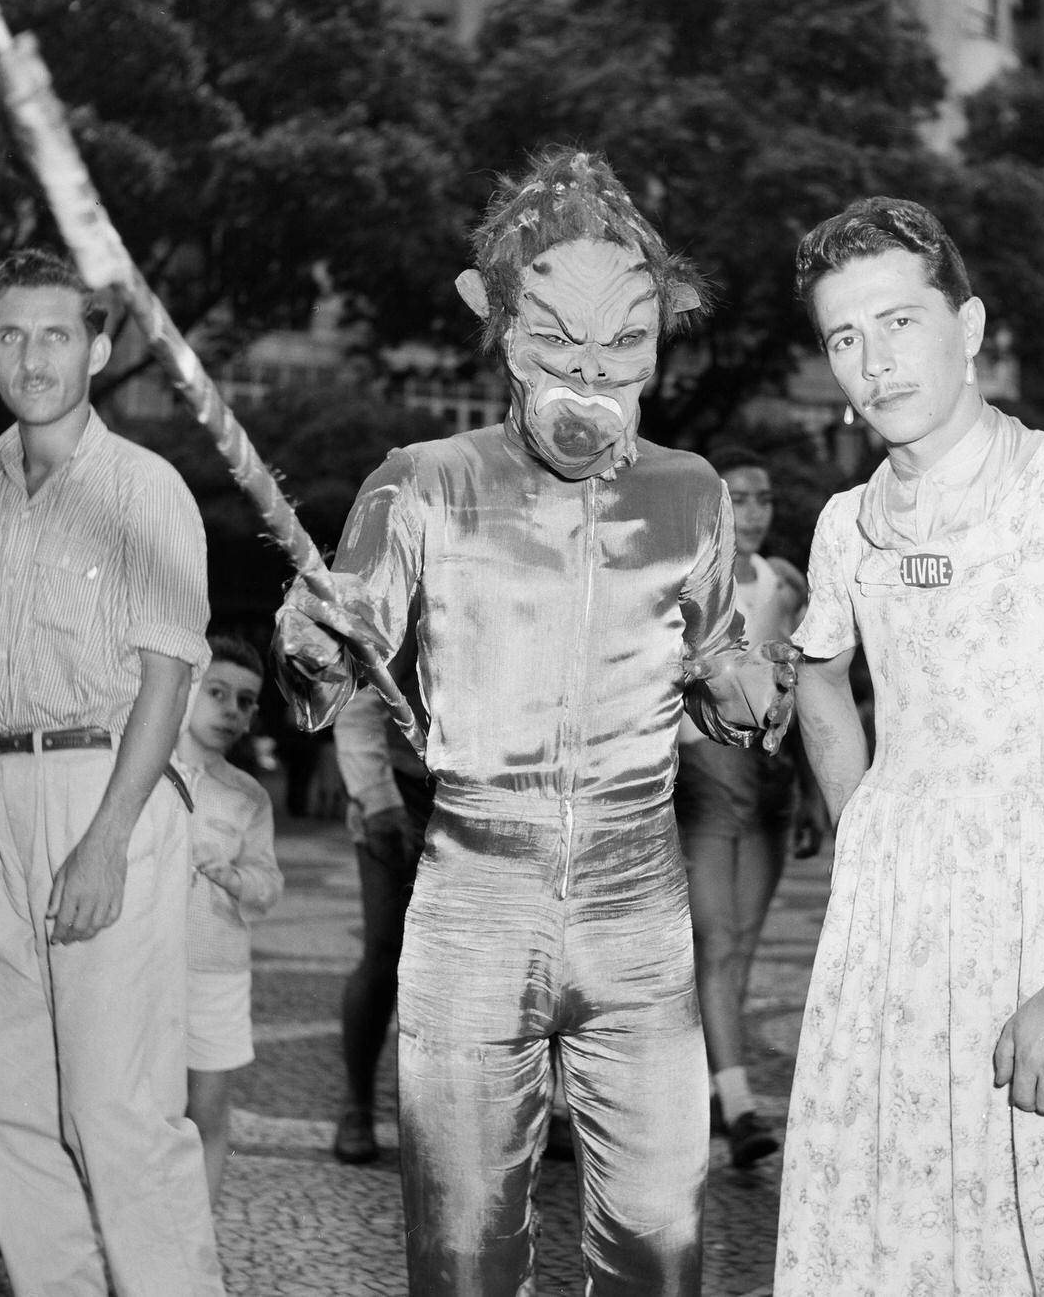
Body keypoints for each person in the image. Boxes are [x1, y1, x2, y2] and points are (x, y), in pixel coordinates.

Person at [272, 149, 795, 1296]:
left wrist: (749, 685)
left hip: (639, 899)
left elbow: (717, 674)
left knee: (660, 1246)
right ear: (502, 330)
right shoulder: (419, 480)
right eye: (560, 344)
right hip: (471, 895)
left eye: (624, 348)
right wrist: (310, 639)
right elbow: (318, 683)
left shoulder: (691, 489)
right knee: (459, 1251)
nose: (592, 375)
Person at [774, 199, 1044, 1295]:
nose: (872, 361)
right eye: (843, 338)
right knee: (895, 1237)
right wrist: (869, 826)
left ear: (968, 324)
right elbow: (818, 670)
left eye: (899, 323)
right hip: (897, 938)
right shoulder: (842, 522)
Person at [0, 248, 224, 1295]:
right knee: (2, 1104)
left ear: (98, 348)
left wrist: (108, 837)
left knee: (118, 1110)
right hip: (3, 796)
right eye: (14, 335)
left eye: (57, 333)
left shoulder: (142, 489)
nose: (34, 356)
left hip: (106, 786)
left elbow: (170, 667)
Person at [674, 448, 812, 1168]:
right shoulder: (688, 578)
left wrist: (815, 790)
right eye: (742, 499)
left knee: (743, 948)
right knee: (716, 942)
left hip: (771, 779)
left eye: (765, 499)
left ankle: (708, 1086)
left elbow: (816, 690)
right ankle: (738, 1104)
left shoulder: (785, 582)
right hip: (703, 768)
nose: (756, 512)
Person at [179, 634, 284, 1203]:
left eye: (246, 701)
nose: (231, 710)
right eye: (216, 692)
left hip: (216, 971)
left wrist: (237, 879)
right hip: (142, 965)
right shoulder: (142, 772)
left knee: (207, 1112)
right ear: (186, 687)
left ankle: (196, 1248)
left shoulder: (247, 796)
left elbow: (268, 885)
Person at [330, 667, 430, 1165]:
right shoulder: (410, 585)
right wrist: (375, 797)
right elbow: (361, 694)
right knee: (386, 948)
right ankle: (357, 1105)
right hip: (397, 784)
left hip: (487, 787)